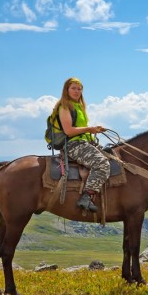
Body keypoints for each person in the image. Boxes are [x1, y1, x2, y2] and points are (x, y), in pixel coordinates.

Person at [55, 77, 110, 212]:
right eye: (73, 88)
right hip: (73, 145)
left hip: (83, 142)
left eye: (79, 89)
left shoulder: (79, 107)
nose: (77, 91)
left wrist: (93, 130)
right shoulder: (64, 107)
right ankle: (86, 197)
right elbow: (68, 131)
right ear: (66, 90)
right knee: (102, 164)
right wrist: (89, 129)